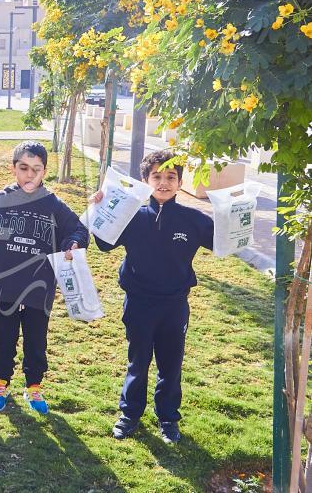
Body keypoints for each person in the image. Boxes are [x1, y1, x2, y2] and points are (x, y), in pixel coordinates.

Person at [91, 150, 213, 444]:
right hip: (139, 303)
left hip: (174, 305)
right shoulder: (131, 215)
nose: (163, 183)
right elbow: (104, 245)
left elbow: (222, 243)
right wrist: (100, 209)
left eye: (171, 177)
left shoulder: (193, 220)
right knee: (138, 361)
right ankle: (129, 414)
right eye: (156, 176)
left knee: (171, 364)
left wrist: (234, 216)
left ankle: (168, 418)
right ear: (145, 180)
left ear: (180, 182)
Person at [0, 141, 88, 414]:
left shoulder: (54, 205)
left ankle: (34, 386)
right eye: (23, 168)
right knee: (1, 337)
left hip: (38, 286)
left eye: (36, 169)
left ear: (44, 171)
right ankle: (1, 382)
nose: (29, 174)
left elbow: (78, 229)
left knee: (36, 339)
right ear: (13, 169)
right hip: (4, 283)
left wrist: (73, 243)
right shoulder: (1, 199)